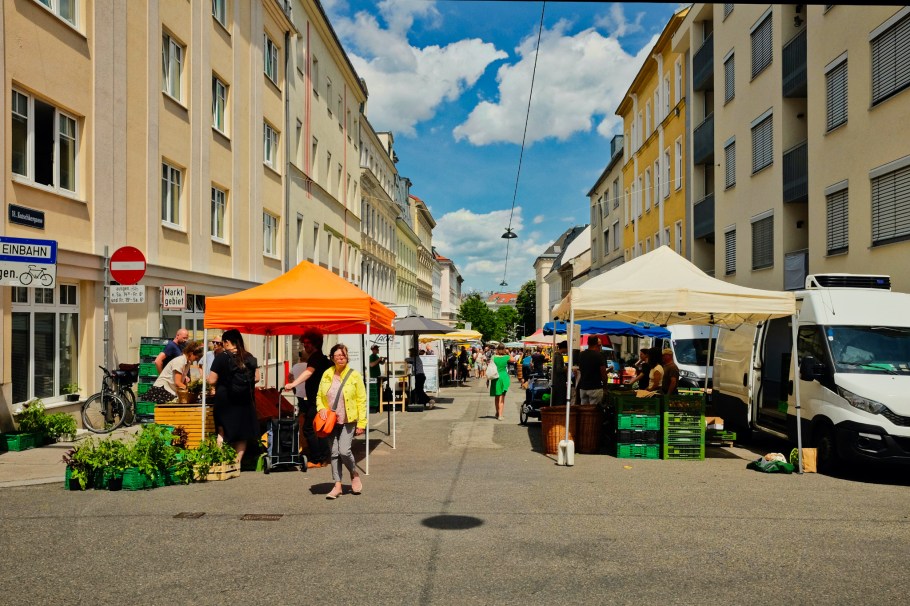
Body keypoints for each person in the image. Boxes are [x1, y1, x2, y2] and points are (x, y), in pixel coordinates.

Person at [317, 344, 366, 499]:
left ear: (347, 357)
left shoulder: (354, 375)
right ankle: (337, 485)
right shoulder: (326, 374)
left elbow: (361, 400)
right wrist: (321, 408)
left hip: (348, 420)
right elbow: (319, 396)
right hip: (330, 421)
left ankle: (354, 472)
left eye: (343, 355)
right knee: (334, 453)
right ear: (332, 358)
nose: (340, 358)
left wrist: (362, 423)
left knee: (344, 450)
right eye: (337, 355)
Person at [207, 329, 260, 464]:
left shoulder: (221, 357)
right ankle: (236, 464)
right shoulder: (248, 356)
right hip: (244, 399)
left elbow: (211, 380)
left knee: (222, 431)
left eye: (223, 342)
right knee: (242, 434)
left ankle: (221, 462)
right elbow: (257, 378)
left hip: (225, 399)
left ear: (227, 342)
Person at [282, 331, 333, 468]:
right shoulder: (320, 358)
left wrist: (293, 384)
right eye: (303, 343)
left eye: (307, 343)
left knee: (309, 427)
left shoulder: (315, 357)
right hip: (317, 399)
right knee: (318, 428)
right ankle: (323, 458)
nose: (304, 345)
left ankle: (317, 459)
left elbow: (308, 372)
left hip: (318, 400)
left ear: (315, 344)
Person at [576, 336, 609, 405]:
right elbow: (603, 374)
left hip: (583, 388)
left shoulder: (581, 355)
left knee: (585, 411)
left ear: (588, 343)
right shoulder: (599, 356)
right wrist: (605, 387)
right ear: (598, 344)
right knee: (594, 411)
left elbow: (581, 369)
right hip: (595, 388)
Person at [488, 344, 511, 420]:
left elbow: (490, 368)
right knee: (502, 397)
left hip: (495, 377)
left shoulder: (493, 357)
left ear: (497, 349)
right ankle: (500, 415)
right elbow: (514, 360)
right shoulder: (506, 357)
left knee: (497, 396)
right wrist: (508, 352)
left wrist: (487, 380)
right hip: (504, 377)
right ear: (504, 349)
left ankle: (497, 412)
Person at [551, 340, 569, 407]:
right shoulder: (559, 356)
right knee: (560, 399)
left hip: (556, 381)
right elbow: (559, 369)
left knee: (556, 399)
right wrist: (565, 368)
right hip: (559, 382)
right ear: (564, 348)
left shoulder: (555, 354)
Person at [368, 344, 385, 411]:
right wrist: (379, 360)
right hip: (373, 377)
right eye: (376, 349)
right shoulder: (371, 356)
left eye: (378, 349)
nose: (378, 350)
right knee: (375, 392)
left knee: (379, 390)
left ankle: (379, 405)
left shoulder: (376, 356)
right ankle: (376, 406)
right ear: (373, 350)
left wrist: (384, 360)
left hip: (378, 376)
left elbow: (381, 363)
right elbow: (371, 365)